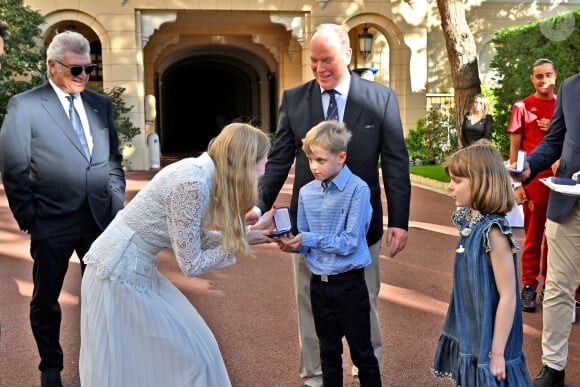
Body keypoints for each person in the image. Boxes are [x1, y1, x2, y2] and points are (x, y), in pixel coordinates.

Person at [248, 23, 411, 386]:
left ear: (348, 56)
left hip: (359, 224)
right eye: (314, 62)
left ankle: (366, 368)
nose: (321, 68)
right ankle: (315, 377)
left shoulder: (380, 98)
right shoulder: (293, 99)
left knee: (363, 298)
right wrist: (260, 207)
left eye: (328, 61)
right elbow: (278, 159)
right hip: (308, 227)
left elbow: (396, 162)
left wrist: (400, 221)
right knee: (309, 302)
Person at [79, 123, 276, 386]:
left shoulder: (200, 174)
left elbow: (196, 237)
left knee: (192, 351)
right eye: (263, 163)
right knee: (187, 359)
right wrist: (239, 244)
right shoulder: (192, 184)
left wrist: (245, 235)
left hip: (131, 268)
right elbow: (191, 263)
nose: (264, 171)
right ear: (244, 162)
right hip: (117, 275)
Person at [0, 31, 126, 387]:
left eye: (89, 68)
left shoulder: (101, 105)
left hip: (100, 219)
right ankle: (50, 367)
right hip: (51, 221)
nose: (84, 76)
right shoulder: (24, 105)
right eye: (76, 70)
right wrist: (30, 218)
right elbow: (14, 167)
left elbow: (113, 159)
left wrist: (115, 202)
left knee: (104, 294)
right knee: (46, 298)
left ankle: (100, 363)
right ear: (52, 66)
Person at [276, 121, 381, 386]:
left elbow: (349, 242)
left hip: (350, 285)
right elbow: (307, 241)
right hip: (318, 287)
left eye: (320, 159)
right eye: (310, 159)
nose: (313, 166)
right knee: (328, 354)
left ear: (341, 157)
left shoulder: (358, 189)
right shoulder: (306, 192)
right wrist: (292, 244)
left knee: (363, 354)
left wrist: (308, 238)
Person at [432, 140, 532, 386]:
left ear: (480, 181)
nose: (449, 186)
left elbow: (509, 295)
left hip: (490, 341)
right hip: (472, 330)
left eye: (457, 181)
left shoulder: (494, 233)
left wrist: (497, 353)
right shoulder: (470, 222)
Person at [512, 72, 580, 387]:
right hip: (568, 201)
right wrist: (529, 167)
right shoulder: (570, 87)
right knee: (557, 287)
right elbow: (554, 140)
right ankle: (553, 368)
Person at [507, 59, 558, 313]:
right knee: (533, 236)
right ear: (532, 79)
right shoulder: (522, 107)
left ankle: (551, 285)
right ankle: (529, 285)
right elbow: (515, 150)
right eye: (539, 76)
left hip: (561, 181)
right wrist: (517, 184)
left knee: (557, 238)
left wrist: (555, 130)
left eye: (548, 75)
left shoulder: (564, 104)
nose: (543, 80)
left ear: (555, 76)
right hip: (533, 180)